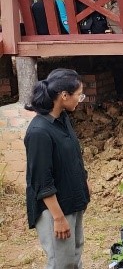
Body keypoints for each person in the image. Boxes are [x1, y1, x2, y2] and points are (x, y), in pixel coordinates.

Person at [24, 68, 90, 268]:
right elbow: (42, 180)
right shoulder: (39, 132)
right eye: (79, 95)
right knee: (61, 262)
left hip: (71, 201)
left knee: (74, 254)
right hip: (55, 209)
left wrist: (83, 182)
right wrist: (58, 218)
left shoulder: (62, 120)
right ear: (63, 96)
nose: (81, 99)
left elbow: (72, 157)